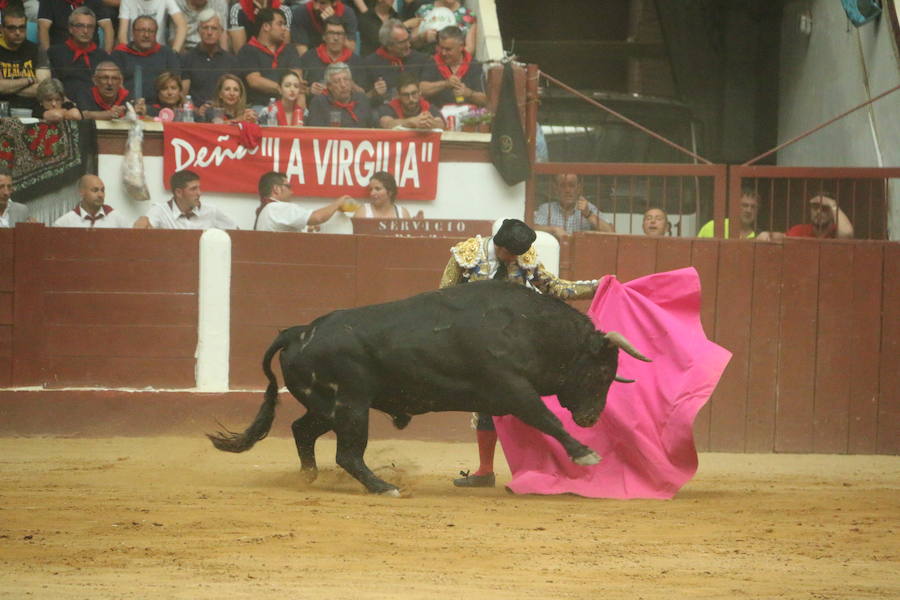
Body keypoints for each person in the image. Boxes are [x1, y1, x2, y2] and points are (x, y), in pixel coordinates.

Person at [439, 218, 600, 488]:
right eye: (510, 254)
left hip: (517, 342)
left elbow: (554, 287)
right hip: (477, 342)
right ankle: (485, 471)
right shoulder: (466, 255)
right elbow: (442, 298)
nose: (514, 259)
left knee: (528, 401)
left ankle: (538, 467)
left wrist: (595, 287)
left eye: (518, 254)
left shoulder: (525, 257)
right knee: (486, 405)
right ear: (499, 246)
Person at [235, 6, 302, 108]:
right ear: (266, 26)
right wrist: (281, 87)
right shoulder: (248, 50)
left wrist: (286, 87)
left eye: (284, 24)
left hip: (287, 105)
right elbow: (254, 81)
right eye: (280, 24)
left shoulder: (290, 49)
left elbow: (297, 77)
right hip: (259, 106)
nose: (284, 28)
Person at [134, 169, 237, 229]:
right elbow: (141, 228)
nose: (199, 193)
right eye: (193, 189)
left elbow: (237, 231)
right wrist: (142, 222)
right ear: (179, 192)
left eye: (199, 188)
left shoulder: (211, 211)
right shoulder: (161, 210)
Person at [47, 7, 110, 103]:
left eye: (90, 26)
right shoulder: (55, 53)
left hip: (96, 107)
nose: (85, 31)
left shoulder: (103, 57)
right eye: (80, 26)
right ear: (71, 29)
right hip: (64, 106)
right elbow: (52, 86)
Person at [111, 16, 181, 101]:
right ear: (133, 32)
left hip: (161, 107)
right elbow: (114, 85)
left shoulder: (168, 54)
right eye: (141, 30)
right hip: (128, 106)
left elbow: (176, 86)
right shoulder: (119, 54)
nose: (146, 35)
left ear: (156, 34)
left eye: (151, 31)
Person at [359, 18, 428, 102]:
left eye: (408, 39)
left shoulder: (421, 59)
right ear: (389, 45)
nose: (408, 45)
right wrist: (374, 93)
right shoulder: (370, 64)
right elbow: (361, 99)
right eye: (402, 42)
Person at [418, 25, 484, 109]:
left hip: (469, 116)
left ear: (461, 47)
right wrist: (445, 84)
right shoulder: (432, 62)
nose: (443, 53)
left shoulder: (474, 65)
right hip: (439, 116)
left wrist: (469, 94)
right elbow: (421, 90)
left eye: (448, 49)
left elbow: (485, 100)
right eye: (441, 48)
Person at [180, 9, 237, 106]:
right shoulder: (187, 58)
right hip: (193, 116)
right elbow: (182, 95)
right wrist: (196, 111)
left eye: (214, 28)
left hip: (223, 114)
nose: (209, 32)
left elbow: (235, 95)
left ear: (221, 31)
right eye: (205, 28)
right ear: (198, 31)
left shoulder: (231, 61)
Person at [253, 171, 344, 231]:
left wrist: (307, 228)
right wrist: (340, 202)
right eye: (288, 187)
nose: (292, 192)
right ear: (276, 189)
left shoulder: (266, 210)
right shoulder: (277, 208)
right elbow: (318, 218)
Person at [0, 4, 51, 112]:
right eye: (12, 28)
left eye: (22, 27)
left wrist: (8, 86)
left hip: (33, 110)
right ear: (2, 29)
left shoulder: (37, 50)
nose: (18, 32)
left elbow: (44, 89)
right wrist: (28, 80)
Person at [533, 173, 614, 241]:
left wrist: (588, 214)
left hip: (580, 256)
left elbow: (611, 232)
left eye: (571, 186)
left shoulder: (588, 207)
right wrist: (554, 229)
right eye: (563, 186)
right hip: (554, 255)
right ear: (556, 189)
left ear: (578, 188)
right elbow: (532, 229)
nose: (567, 190)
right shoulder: (547, 208)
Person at [297, 16, 362, 98]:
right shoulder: (308, 58)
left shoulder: (356, 61)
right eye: (331, 33)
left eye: (339, 34)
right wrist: (309, 90)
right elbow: (297, 89)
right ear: (323, 36)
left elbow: (364, 95)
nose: (335, 38)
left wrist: (351, 85)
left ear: (345, 37)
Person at [306, 61, 374, 127]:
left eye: (346, 79)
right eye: (336, 82)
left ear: (351, 82)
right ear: (329, 86)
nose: (343, 85)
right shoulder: (319, 102)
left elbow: (372, 129)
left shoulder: (362, 99)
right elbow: (315, 133)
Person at [38, 0, 114, 53]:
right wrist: (47, 59)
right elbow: (43, 28)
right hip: (60, 53)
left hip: (91, 54)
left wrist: (106, 56)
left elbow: (108, 27)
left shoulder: (95, 1)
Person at [53, 174, 129, 227]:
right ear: (81, 192)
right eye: (95, 190)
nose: (100, 195)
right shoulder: (64, 223)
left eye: (102, 190)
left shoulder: (117, 219)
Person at [376, 72, 443, 129]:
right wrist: (411, 122)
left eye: (414, 93)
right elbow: (387, 124)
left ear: (419, 92)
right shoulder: (389, 107)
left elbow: (441, 124)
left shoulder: (428, 107)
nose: (411, 99)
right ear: (398, 95)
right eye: (405, 95)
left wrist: (431, 123)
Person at [118, 0, 187, 54]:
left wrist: (174, 54)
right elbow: (122, 34)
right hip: (134, 50)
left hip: (158, 52)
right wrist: (128, 54)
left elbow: (182, 25)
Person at [291, 0, 357, 56]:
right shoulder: (301, 12)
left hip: (339, 60)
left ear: (334, 3)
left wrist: (334, 21)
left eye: (323, 3)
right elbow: (302, 52)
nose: (316, 7)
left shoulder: (347, 13)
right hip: (312, 60)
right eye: (315, 1)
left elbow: (351, 48)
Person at [409, 0, 476, 55]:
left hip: (453, 66)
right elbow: (411, 43)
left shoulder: (468, 15)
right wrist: (423, 37)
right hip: (427, 63)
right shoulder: (425, 10)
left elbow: (470, 50)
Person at [352, 171, 423, 219]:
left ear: (390, 192)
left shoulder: (402, 213)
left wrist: (415, 227)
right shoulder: (362, 212)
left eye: (377, 189)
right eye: (371, 189)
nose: (372, 193)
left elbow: (408, 240)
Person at [786, 193, 854, 239]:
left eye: (824, 208)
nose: (818, 211)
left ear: (834, 212)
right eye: (815, 207)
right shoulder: (799, 231)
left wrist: (832, 205)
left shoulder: (837, 231)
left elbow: (847, 233)